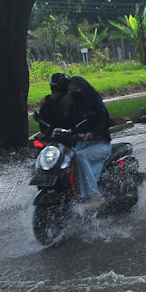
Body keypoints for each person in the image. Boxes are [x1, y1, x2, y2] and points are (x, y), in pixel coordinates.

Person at [57, 74, 112, 211]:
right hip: (83, 145)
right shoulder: (73, 106)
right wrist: (50, 131)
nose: (73, 92)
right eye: (70, 90)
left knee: (80, 157)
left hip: (100, 145)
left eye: (76, 88)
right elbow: (65, 123)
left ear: (83, 87)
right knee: (67, 159)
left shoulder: (95, 101)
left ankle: (95, 196)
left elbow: (102, 118)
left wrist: (93, 133)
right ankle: (74, 195)